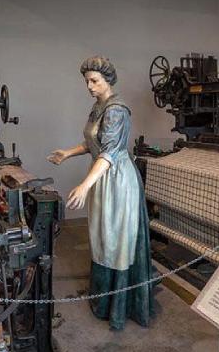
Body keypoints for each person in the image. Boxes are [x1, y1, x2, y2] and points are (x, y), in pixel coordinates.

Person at [47, 56, 153, 330]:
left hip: (117, 180)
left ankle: (119, 305)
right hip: (102, 178)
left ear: (108, 80)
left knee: (117, 241)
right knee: (104, 238)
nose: (90, 86)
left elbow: (109, 153)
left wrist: (84, 184)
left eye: (94, 81)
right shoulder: (98, 107)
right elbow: (92, 142)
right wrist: (67, 153)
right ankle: (105, 298)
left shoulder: (117, 110)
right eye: (87, 82)